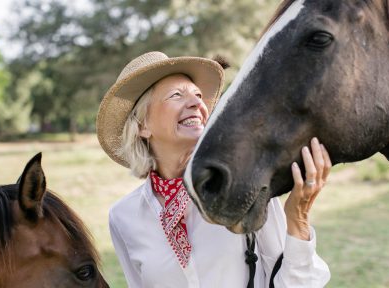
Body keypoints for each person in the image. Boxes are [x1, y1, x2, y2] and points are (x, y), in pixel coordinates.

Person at [97, 51, 331, 287]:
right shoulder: (123, 217)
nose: (197, 103)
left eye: (198, 95)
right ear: (142, 125)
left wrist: (298, 220)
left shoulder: (244, 186)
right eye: (176, 95)